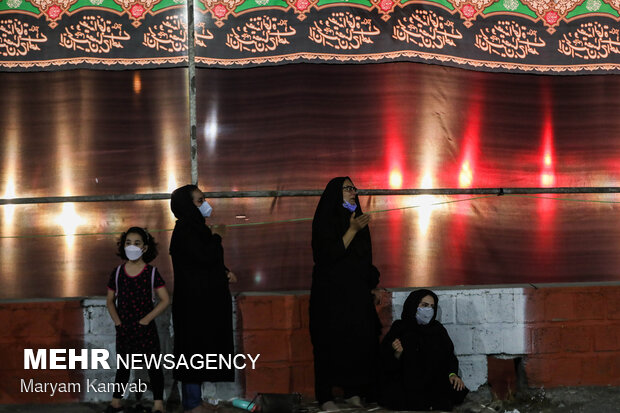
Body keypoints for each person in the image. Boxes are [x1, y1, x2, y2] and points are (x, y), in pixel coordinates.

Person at [309, 176, 382, 412]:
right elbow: (327, 256)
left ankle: (354, 391)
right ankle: (326, 396)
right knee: (328, 343)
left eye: (354, 188)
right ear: (335, 194)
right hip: (330, 296)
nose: (353, 192)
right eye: (347, 189)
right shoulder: (325, 220)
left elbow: (364, 258)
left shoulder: (359, 222)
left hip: (356, 294)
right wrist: (351, 229)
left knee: (359, 340)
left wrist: (372, 283)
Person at [169, 184, 238, 413]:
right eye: (200, 201)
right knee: (192, 351)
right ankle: (191, 404)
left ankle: (196, 401)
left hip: (200, 303)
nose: (206, 204)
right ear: (187, 206)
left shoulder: (195, 229)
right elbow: (204, 257)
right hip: (193, 305)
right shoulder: (186, 230)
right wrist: (217, 237)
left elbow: (204, 264)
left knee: (200, 350)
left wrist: (224, 271)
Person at [105, 227, 170, 413]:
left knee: (154, 366)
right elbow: (110, 301)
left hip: (146, 329)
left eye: (137, 243)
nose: (131, 246)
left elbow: (165, 299)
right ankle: (116, 403)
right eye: (128, 243)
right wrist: (118, 323)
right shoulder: (117, 273)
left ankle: (159, 405)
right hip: (124, 329)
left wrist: (146, 320)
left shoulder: (151, 273)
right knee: (123, 368)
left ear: (145, 247)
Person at [379, 289, 469, 411]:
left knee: (457, 389)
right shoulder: (400, 328)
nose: (428, 310)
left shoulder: (437, 329)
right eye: (424, 305)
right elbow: (385, 364)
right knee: (394, 394)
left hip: (433, 381)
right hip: (407, 382)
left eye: (432, 306)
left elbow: (449, 357)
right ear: (413, 305)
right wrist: (397, 354)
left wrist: (452, 374)